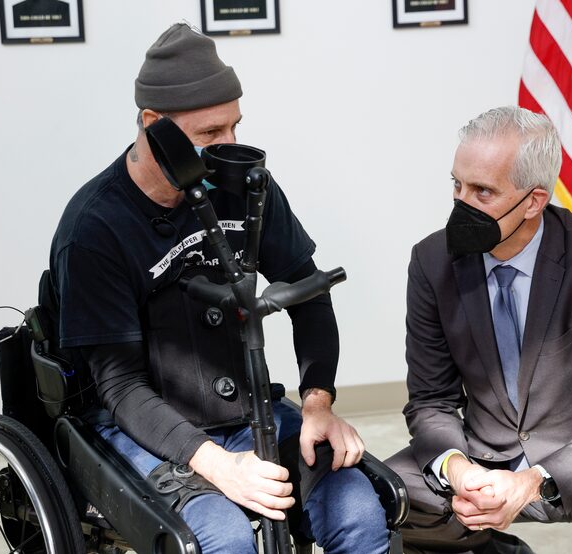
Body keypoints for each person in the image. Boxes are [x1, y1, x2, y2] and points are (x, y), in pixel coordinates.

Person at [49, 22, 388, 553]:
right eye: (211, 134)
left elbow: (310, 294)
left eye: (235, 126)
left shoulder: (243, 187)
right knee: (223, 538)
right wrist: (219, 466)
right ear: (153, 124)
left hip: (245, 408)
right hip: (139, 428)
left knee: (360, 511)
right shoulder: (96, 228)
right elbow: (118, 388)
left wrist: (318, 404)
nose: (230, 146)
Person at [385, 106, 572, 554]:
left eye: (483, 192)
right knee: (381, 496)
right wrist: (461, 469)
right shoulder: (431, 262)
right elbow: (431, 401)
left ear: (534, 202)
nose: (462, 204)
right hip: (481, 456)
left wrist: (533, 481)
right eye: (457, 185)